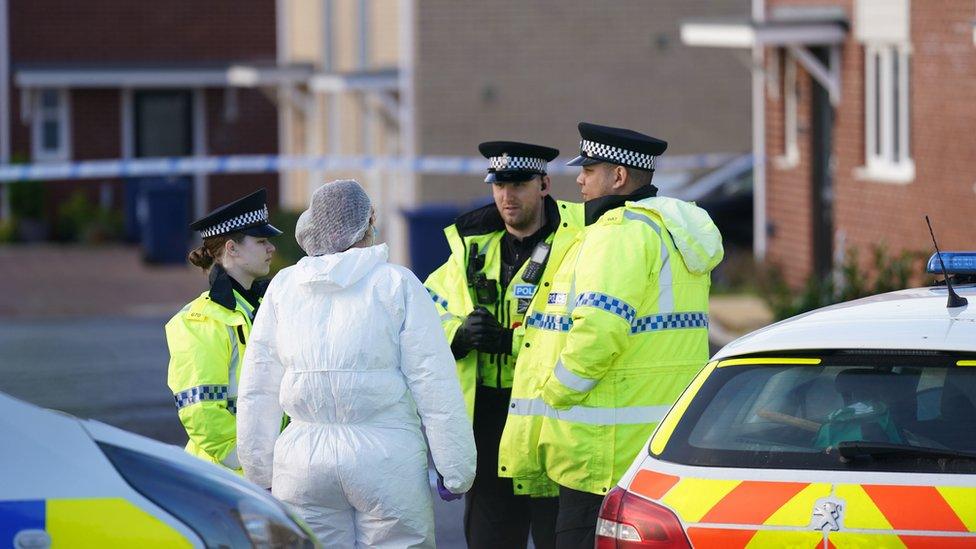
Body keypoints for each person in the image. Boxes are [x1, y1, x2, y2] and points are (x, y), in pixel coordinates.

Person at [509, 123, 724, 548]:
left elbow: (600, 328)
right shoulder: (670, 232)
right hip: (653, 449)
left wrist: (556, 391)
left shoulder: (619, 233)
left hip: (599, 456)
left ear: (619, 177)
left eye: (590, 168)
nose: (580, 179)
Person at [236, 179, 476, 547]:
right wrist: (455, 467)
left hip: (302, 463)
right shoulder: (396, 285)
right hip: (386, 460)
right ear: (368, 222)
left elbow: (258, 386)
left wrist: (258, 470)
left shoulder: (284, 288)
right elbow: (433, 381)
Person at [424, 142, 584, 548]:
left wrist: (512, 341)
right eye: (499, 185)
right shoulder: (472, 245)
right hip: (488, 418)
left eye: (518, 184)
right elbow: (426, 313)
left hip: (553, 415)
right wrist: (458, 337)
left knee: (557, 537)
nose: (506, 197)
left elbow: (590, 327)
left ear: (544, 184)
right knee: (489, 539)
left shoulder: (581, 242)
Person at [165, 188, 281, 472]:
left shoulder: (269, 304)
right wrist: (255, 467)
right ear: (232, 248)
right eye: (262, 241)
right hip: (229, 479)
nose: (272, 249)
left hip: (273, 470)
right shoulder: (200, 321)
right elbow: (202, 413)